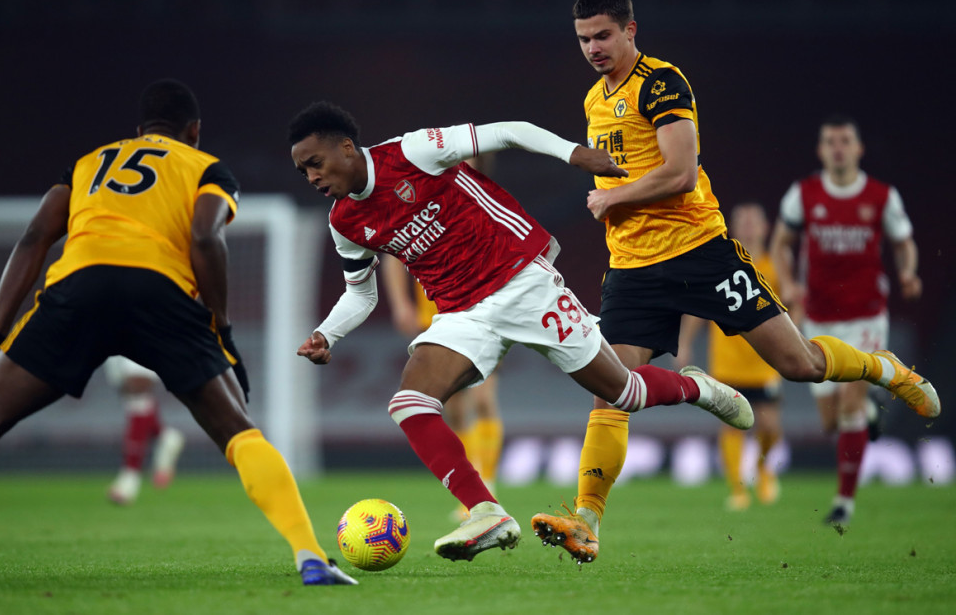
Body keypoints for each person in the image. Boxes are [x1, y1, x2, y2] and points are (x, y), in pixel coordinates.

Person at [529, 0, 939, 563]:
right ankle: (587, 519)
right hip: (633, 268)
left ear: (630, 31)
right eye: (583, 39)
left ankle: (885, 369)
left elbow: (679, 171)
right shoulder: (595, 99)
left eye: (602, 35)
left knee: (800, 365)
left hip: (701, 251)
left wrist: (611, 196)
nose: (593, 48)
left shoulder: (664, 83)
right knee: (611, 390)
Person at [290, 100, 756, 563]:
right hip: (461, 311)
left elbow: (509, 129)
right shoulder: (344, 223)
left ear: (347, 148)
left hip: (521, 280)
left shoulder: (412, 152)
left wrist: (574, 153)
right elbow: (360, 294)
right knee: (410, 402)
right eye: (302, 170)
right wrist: (327, 335)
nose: (311, 177)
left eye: (315, 163)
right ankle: (486, 512)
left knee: (624, 392)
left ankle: (698, 388)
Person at [0, 80, 356, 586]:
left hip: (78, 285)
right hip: (158, 292)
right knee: (239, 432)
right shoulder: (205, 168)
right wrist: (220, 327)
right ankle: (310, 557)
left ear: (138, 132)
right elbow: (205, 235)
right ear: (193, 132)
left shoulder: (89, 162)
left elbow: (35, 237)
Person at [769, 115, 922, 528]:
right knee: (831, 420)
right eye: (830, 141)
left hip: (865, 315)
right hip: (818, 316)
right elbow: (780, 244)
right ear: (821, 150)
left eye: (845, 141)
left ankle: (843, 504)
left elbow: (904, 243)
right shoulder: (803, 194)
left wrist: (908, 272)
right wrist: (788, 284)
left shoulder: (880, 196)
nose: (838, 148)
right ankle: (870, 414)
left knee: (851, 399)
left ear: (858, 149)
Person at [381, 152, 505, 521]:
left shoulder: (486, 197)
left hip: (481, 312)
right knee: (452, 408)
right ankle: (472, 491)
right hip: (435, 316)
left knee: (483, 397)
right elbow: (392, 255)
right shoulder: (424, 196)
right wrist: (402, 304)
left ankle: (489, 483)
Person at [677, 204, 784, 511]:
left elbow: (793, 303)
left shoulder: (775, 264)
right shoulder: (720, 264)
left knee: (770, 428)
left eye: (754, 221)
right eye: (743, 222)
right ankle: (738, 489)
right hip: (727, 362)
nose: (749, 227)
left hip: (765, 363)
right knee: (730, 426)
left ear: (765, 227)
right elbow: (699, 309)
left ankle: (763, 471)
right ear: (734, 227)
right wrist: (684, 343)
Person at [103, 356, 185, 506]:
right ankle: (165, 436)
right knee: (129, 394)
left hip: (133, 335)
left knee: (137, 390)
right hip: (109, 339)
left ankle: (130, 477)